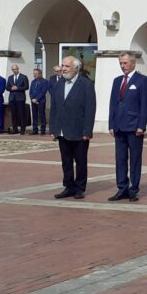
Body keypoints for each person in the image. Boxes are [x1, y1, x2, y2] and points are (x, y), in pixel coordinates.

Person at [108, 52, 147, 202]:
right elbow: (113, 104)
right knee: (120, 159)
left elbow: (145, 105)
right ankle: (122, 188)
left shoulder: (142, 80)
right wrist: (111, 124)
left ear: (133, 63)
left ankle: (133, 189)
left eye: (125, 63)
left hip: (134, 127)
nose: (123, 66)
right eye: (121, 63)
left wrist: (142, 125)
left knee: (134, 159)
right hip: (119, 126)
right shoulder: (117, 81)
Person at [49, 56, 96, 199]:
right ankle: (69, 186)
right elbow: (54, 107)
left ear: (76, 68)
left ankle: (80, 188)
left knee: (80, 161)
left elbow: (90, 109)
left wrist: (87, 131)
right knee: (66, 161)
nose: (63, 68)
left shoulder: (86, 84)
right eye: (62, 65)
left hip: (79, 130)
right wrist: (53, 129)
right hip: (62, 130)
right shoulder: (59, 84)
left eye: (67, 66)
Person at [6, 64, 29, 134]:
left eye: (15, 69)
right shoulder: (10, 77)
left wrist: (17, 88)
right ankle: (15, 129)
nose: (14, 71)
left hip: (20, 98)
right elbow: (7, 87)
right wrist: (11, 88)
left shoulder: (23, 77)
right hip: (12, 98)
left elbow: (26, 86)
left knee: (21, 114)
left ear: (18, 69)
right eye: (13, 69)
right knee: (13, 114)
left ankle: (22, 130)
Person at [29, 67, 49, 135]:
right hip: (33, 101)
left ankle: (43, 130)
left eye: (36, 74)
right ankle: (35, 130)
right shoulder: (33, 81)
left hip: (41, 101)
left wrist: (37, 99)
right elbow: (30, 91)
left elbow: (43, 92)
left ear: (40, 74)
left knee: (41, 115)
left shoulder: (45, 81)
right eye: (34, 73)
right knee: (34, 115)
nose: (34, 75)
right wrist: (32, 99)